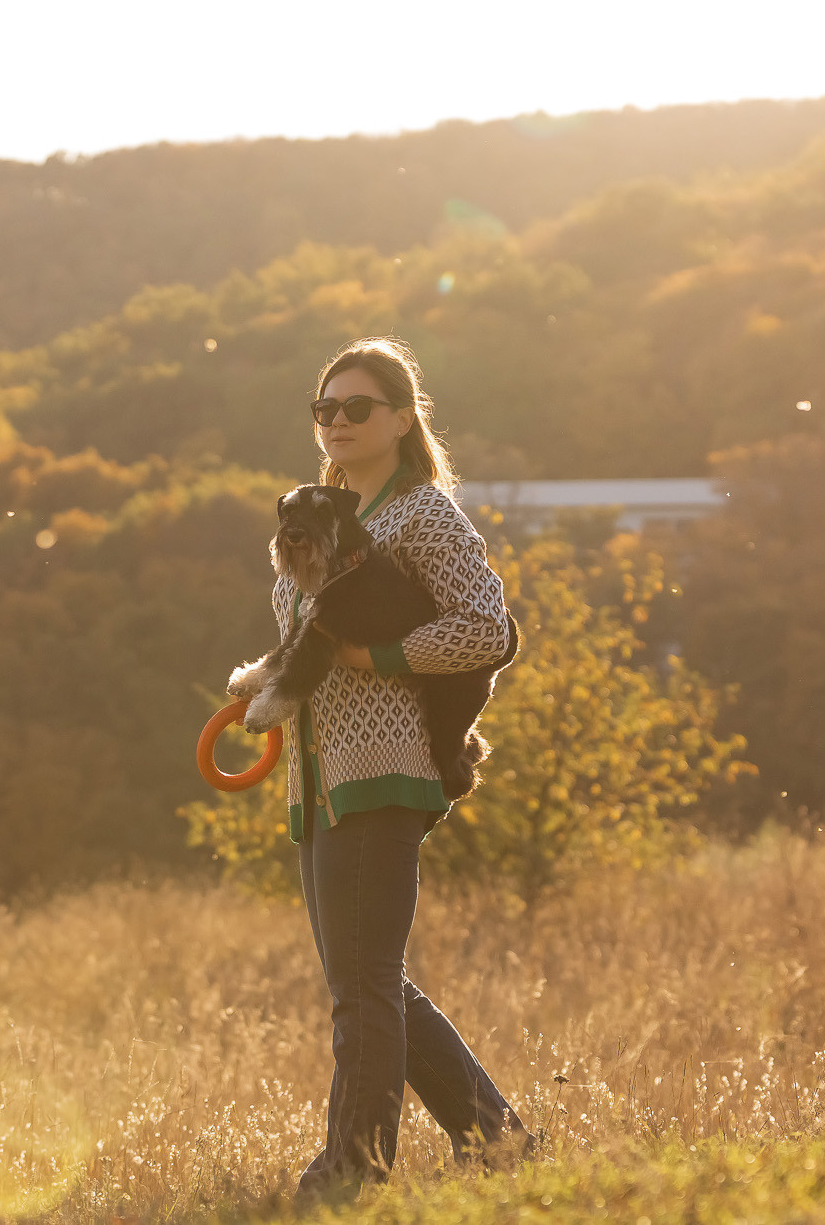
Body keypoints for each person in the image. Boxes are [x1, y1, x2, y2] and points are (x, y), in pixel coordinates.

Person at [270, 336, 533, 1201]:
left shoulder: (424, 515)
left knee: (363, 984)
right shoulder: (318, 511)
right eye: (326, 408)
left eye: (358, 407)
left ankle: (353, 1168)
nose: (338, 421)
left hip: (385, 766)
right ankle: (498, 1139)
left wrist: (379, 658)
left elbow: (486, 630)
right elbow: (307, 636)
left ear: (401, 417)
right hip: (320, 774)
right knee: (369, 979)